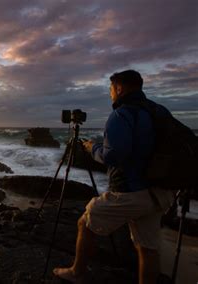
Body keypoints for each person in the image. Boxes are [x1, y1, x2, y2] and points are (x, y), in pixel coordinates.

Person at [53, 70, 175, 284]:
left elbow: (114, 156)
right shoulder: (158, 111)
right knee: (147, 247)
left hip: (131, 192)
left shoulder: (122, 114)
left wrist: (93, 148)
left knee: (85, 222)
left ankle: (77, 273)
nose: (110, 93)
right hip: (159, 190)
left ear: (119, 88)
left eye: (111, 88)